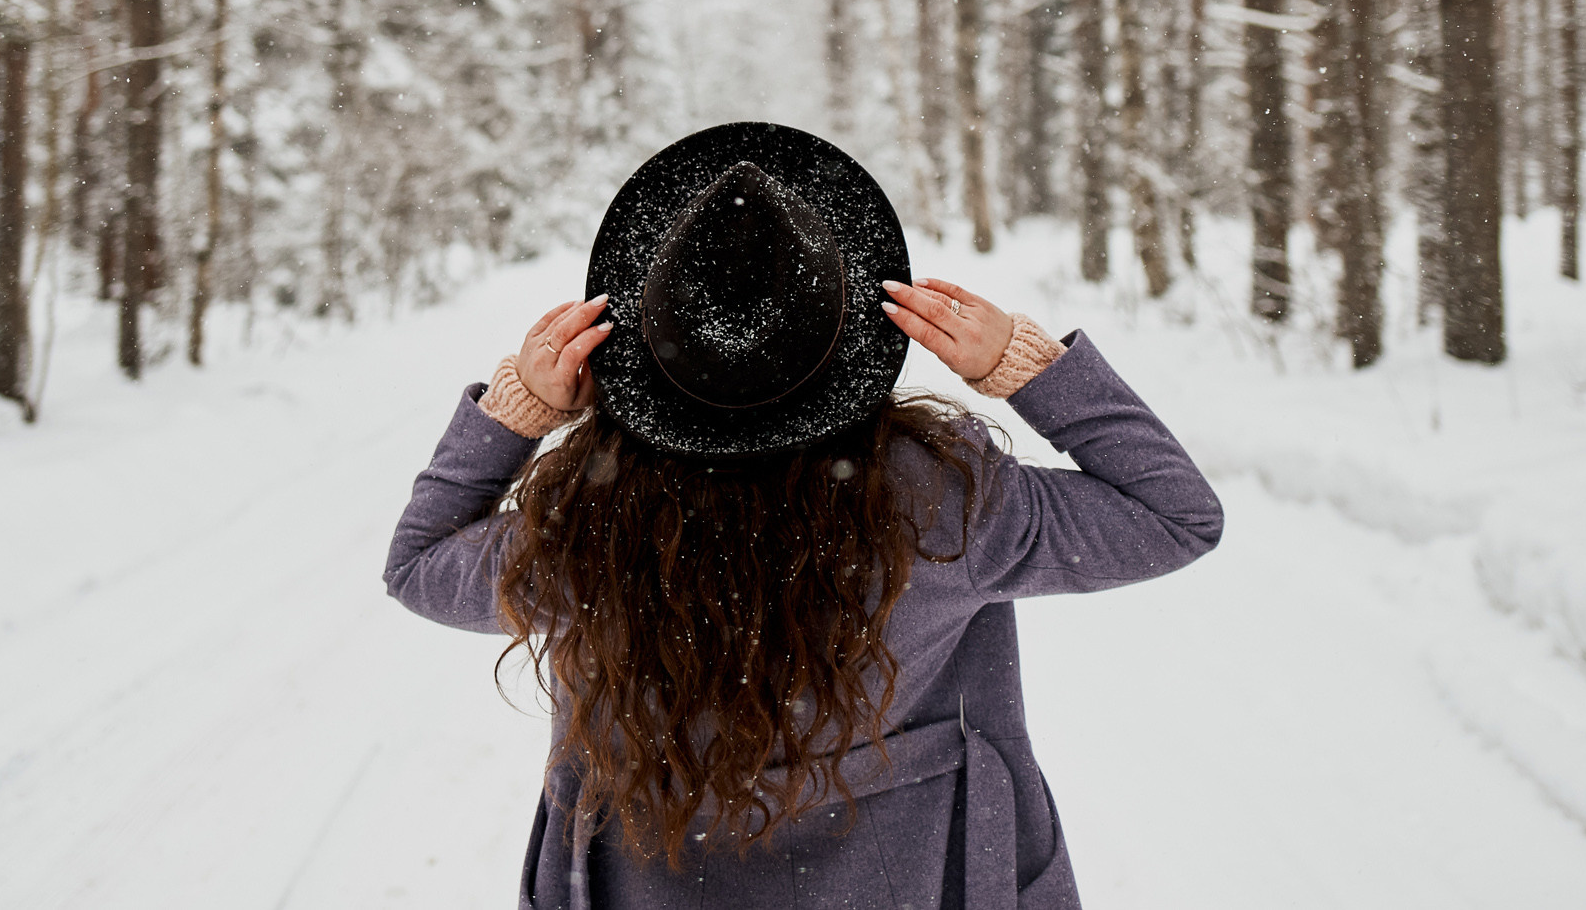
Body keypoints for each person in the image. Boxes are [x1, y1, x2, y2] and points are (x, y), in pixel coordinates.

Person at [384, 123, 1223, 908]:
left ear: (638, 349)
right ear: (849, 337)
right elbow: (1174, 514)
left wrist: (516, 408)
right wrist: (1024, 364)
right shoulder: (943, 500)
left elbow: (416, 565)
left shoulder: (588, 527)